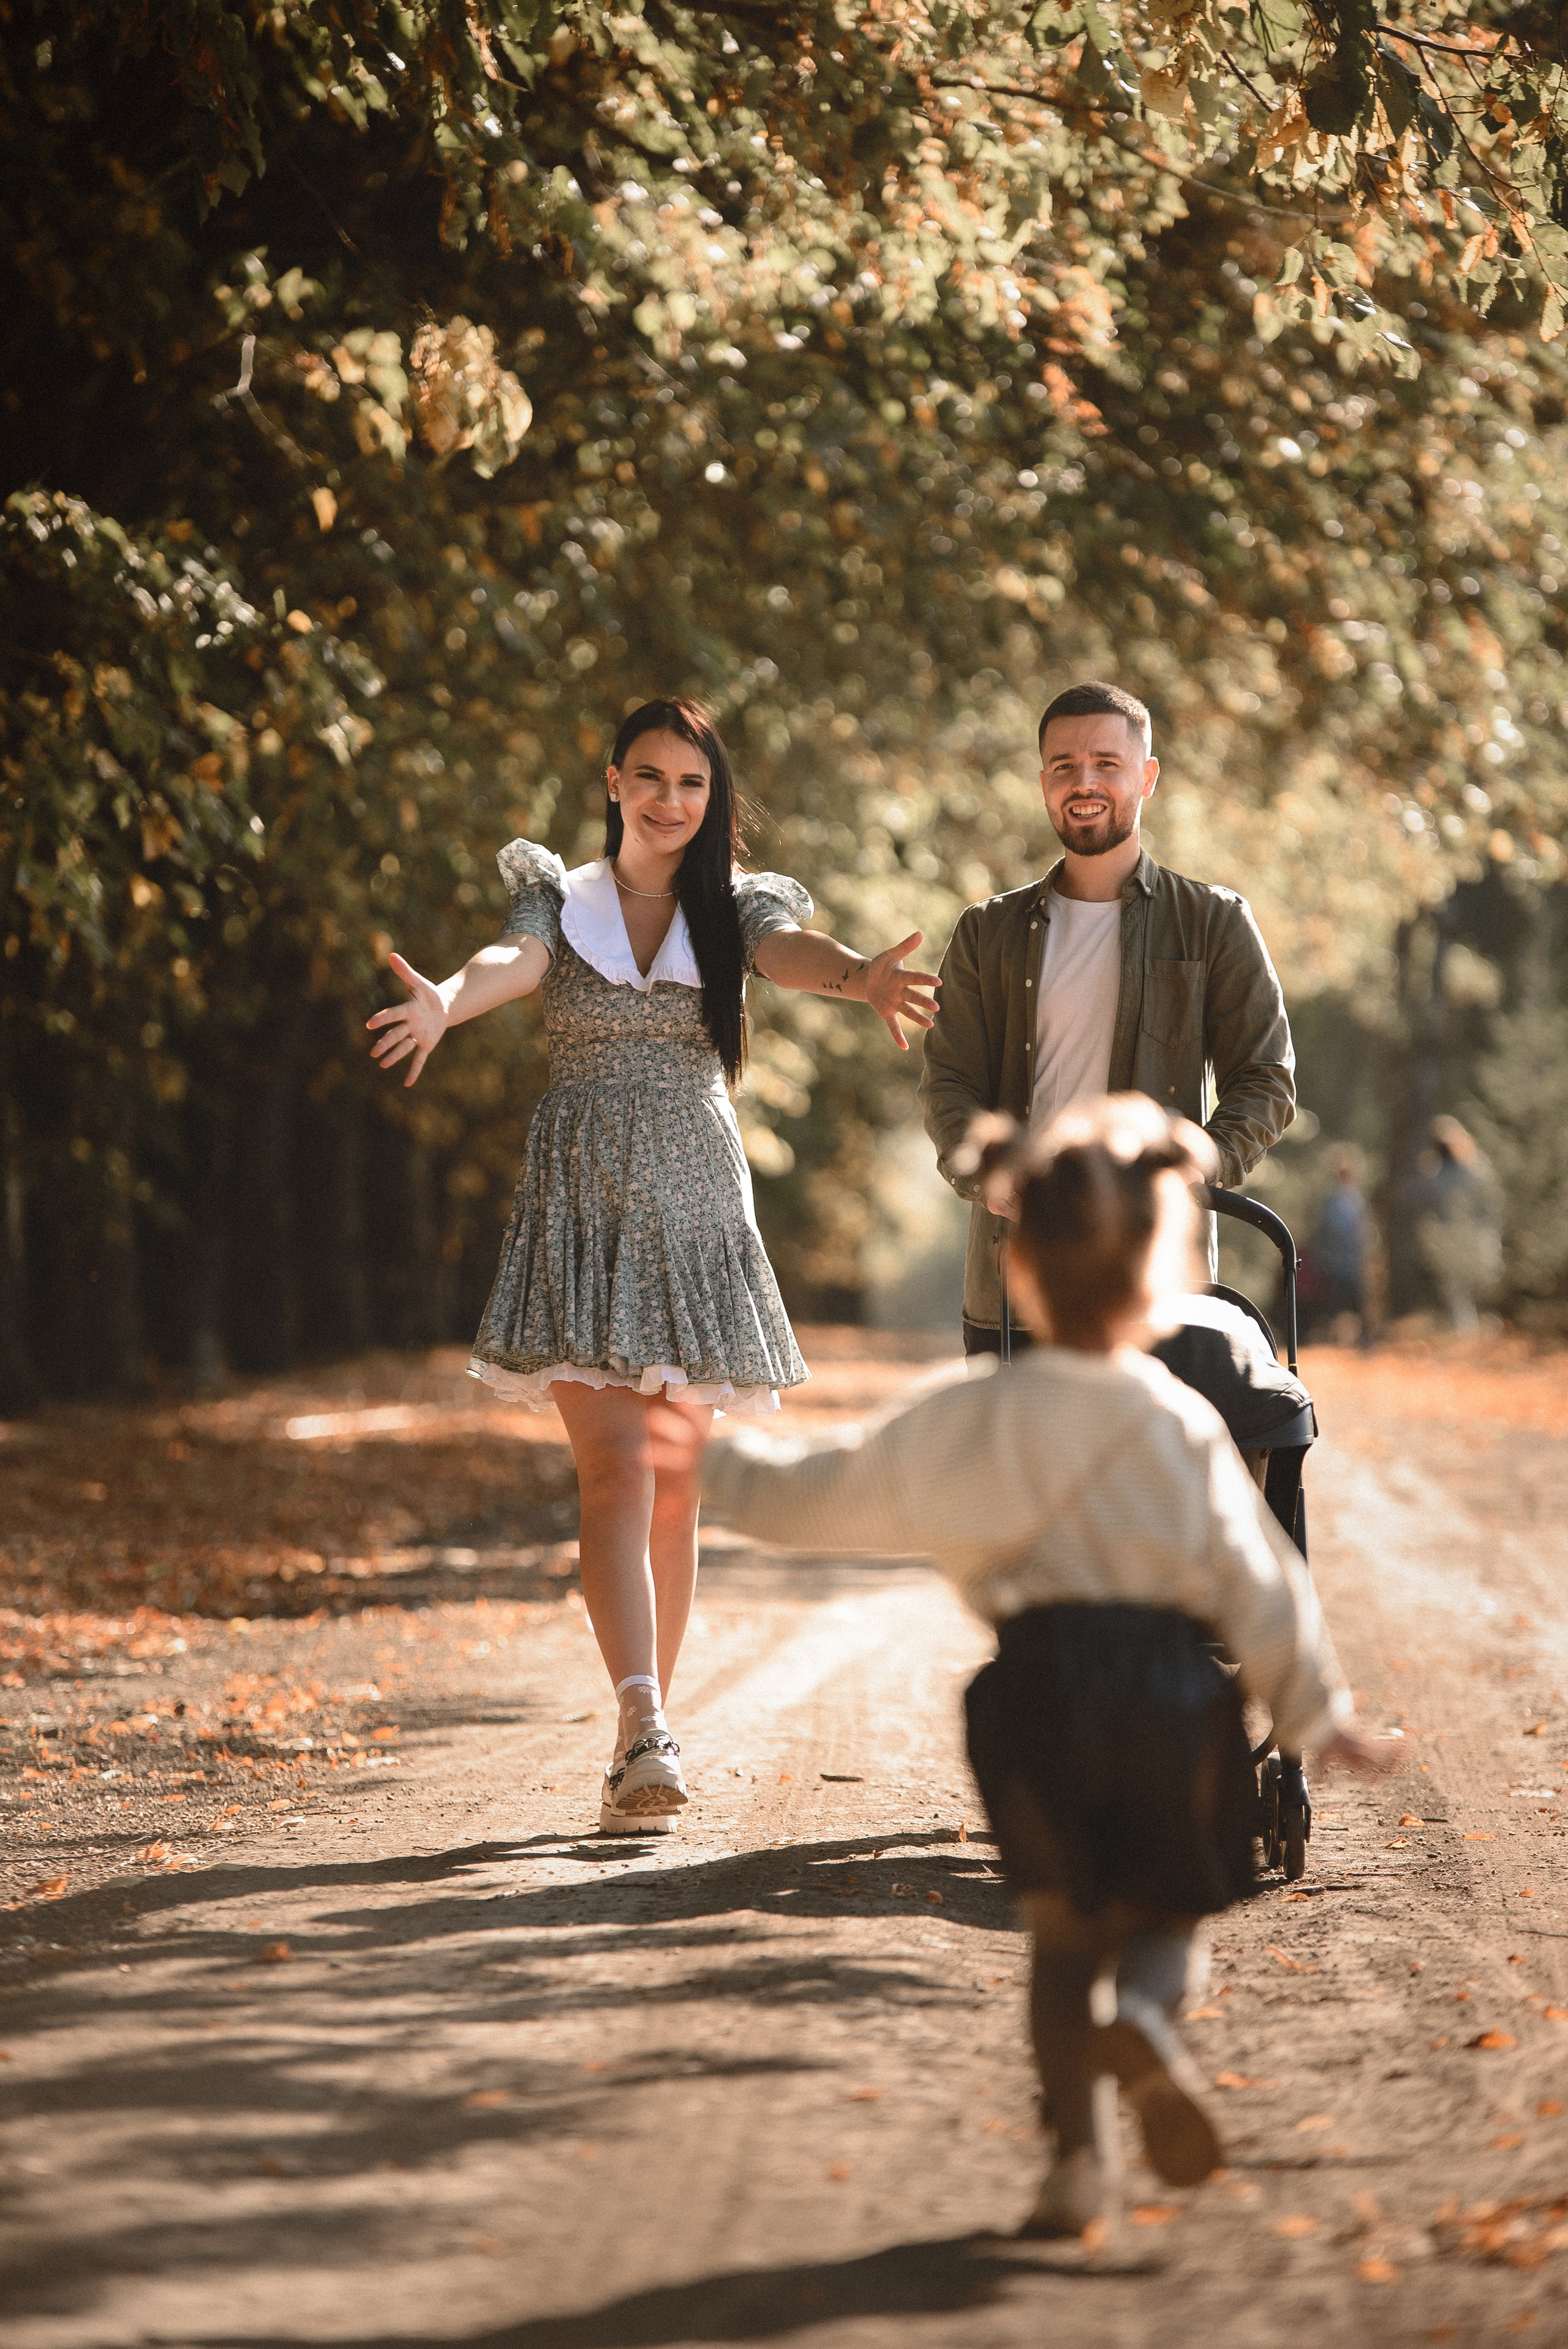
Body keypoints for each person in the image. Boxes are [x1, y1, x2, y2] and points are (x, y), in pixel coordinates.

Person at [650, 1095, 1389, 2237]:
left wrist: (718, 1467)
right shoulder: (1182, 1424)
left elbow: (834, 1490)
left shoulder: (975, 1416)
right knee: (1164, 1923)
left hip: (1032, 1703)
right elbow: (1263, 1579)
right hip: (1170, 1698)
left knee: (1060, 1945)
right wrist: (1315, 1708)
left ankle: (1074, 2167)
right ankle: (1146, 2022)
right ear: (1163, 1272)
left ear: (1021, 1268)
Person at [366, 698, 939, 1835]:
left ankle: (647, 1728)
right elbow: (515, 960)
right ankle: (643, 1722)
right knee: (617, 1470)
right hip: (582, 1206)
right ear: (614, 782)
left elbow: (787, 953)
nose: (671, 799)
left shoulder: (734, 901)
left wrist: (862, 977)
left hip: (693, 1212)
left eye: (692, 781)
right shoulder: (559, 895)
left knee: (674, 1483)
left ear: (710, 794)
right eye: (650, 777)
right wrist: (448, 1001)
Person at [919, 680, 1296, 1355]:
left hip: (1156, 1291)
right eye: (1064, 766)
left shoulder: (1214, 923)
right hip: (1014, 1284)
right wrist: (988, 1177)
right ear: (1043, 784)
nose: (1083, 783)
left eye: (1106, 764)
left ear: (1146, 777)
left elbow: (1266, 1078)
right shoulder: (984, 932)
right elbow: (948, 1083)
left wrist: (1194, 1167)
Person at [1413, 1115, 1502, 1335]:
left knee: (1471, 1287)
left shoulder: (1471, 1169)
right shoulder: (1472, 1169)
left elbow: (1489, 1204)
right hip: (1458, 1238)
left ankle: (1480, 1328)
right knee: (1459, 1288)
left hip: (1469, 1236)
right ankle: (1470, 1333)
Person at [1302, 1151, 1373, 1344]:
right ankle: (1332, 1339)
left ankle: (1363, 1339)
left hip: (1352, 1263)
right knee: (1333, 1303)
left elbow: (1364, 1230)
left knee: (1356, 1301)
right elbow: (1322, 1231)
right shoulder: (1331, 1201)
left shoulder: (1356, 1199)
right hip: (1335, 1263)